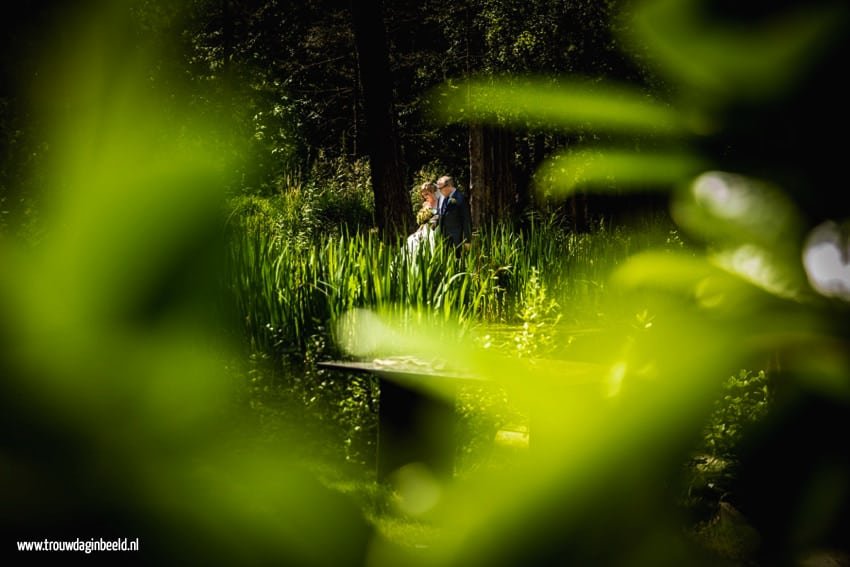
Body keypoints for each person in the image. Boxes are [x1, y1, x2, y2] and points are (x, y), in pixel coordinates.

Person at [435, 175, 472, 254]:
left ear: (449, 186)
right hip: (443, 239)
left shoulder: (460, 198)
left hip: (457, 239)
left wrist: (467, 240)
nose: (439, 191)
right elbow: (440, 215)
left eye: (440, 188)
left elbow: (466, 220)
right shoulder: (440, 198)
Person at [406, 182, 439, 256]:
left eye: (427, 194)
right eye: (423, 195)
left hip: (436, 227)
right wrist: (418, 230)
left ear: (432, 192)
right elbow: (423, 223)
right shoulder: (426, 205)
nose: (425, 197)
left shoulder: (440, 203)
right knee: (411, 239)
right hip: (426, 227)